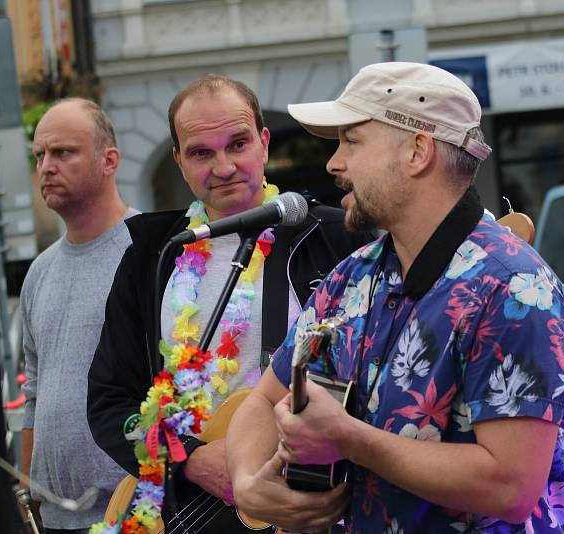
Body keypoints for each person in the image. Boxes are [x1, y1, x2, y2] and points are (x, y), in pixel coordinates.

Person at [226, 61, 564, 533]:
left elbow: (510, 487)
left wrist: (348, 438)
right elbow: (261, 402)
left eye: (351, 141)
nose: (334, 163)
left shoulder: (516, 290)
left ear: (417, 151)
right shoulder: (351, 277)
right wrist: (249, 484)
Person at [86, 75, 371, 528]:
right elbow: (110, 402)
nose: (223, 167)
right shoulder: (152, 255)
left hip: (303, 500)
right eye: (201, 152)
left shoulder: (337, 236)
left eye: (237, 144)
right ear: (179, 161)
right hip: (190, 507)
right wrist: (191, 462)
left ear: (263, 143)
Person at [21, 98, 138, 533]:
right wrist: (27, 492)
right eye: (40, 155)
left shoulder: (146, 253)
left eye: (63, 152)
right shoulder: (39, 271)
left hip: (135, 513)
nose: (46, 167)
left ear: (109, 160)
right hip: (54, 518)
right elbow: (34, 393)